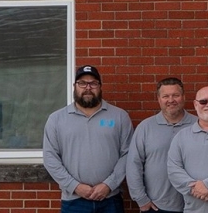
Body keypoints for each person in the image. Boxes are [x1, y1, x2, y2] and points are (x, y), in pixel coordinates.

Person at [42, 65, 134, 213]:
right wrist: (75, 186)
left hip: (110, 199)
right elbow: (50, 157)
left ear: (100, 87)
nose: (88, 88)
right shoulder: (56, 119)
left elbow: (128, 154)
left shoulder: (119, 116)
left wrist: (108, 185)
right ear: (74, 86)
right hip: (74, 201)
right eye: (82, 83)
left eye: (93, 83)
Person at [127, 77, 194, 213]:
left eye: (176, 95)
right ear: (159, 99)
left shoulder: (198, 125)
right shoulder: (146, 127)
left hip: (195, 205)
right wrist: (141, 199)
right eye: (165, 96)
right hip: (156, 206)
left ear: (184, 97)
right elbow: (133, 164)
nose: (171, 100)